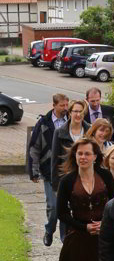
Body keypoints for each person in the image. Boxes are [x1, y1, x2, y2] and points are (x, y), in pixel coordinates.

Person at [28, 93, 69, 247]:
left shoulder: (71, 121)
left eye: (67, 105)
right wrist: (33, 170)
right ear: (54, 105)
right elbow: (34, 147)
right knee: (53, 207)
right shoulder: (43, 123)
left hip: (67, 171)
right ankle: (49, 230)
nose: (65, 108)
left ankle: (65, 238)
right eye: (62, 105)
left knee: (65, 207)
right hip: (48, 171)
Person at [51, 99, 91, 192]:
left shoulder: (90, 131)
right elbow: (55, 160)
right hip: (66, 178)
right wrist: (56, 186)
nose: (78, 114)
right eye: (75, 111)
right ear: (69, 113)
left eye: (81, 111)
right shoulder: (59, 132)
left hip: (86, 178)